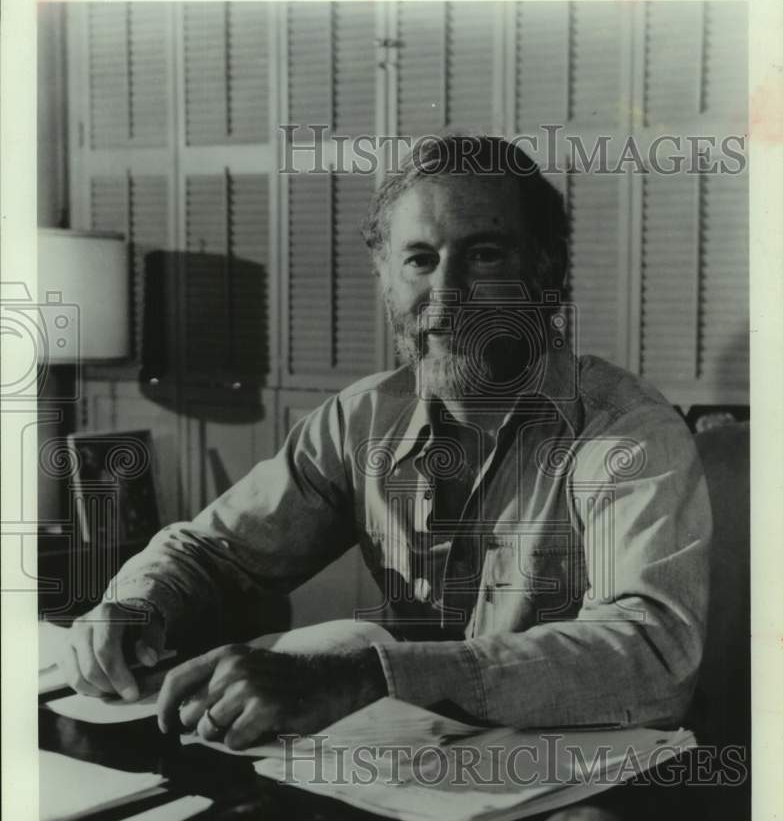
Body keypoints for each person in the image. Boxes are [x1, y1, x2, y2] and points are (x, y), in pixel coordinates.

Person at [55, 135, 711, 751]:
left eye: (484, 255)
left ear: (546, 276)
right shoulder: (359, 419)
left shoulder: (626, 431)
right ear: (386, 279)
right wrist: (138, 605)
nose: (447, 295)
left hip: (574, 795)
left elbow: (652, 655)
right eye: (420, 260)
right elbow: (212, 552)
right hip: (402, 773)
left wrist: (370, 677)